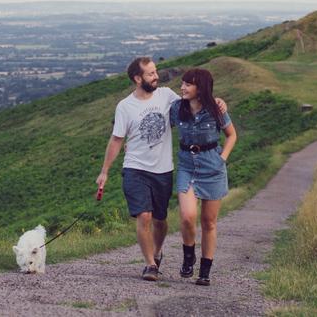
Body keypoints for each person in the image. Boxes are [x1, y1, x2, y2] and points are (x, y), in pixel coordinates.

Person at [96, 57, 226, 281]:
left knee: (160, 220)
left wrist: (218, 102)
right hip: (135, 167)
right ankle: (150, 265)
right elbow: (116, 140)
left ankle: (157, 252)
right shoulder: (125, 106)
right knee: (144, 216)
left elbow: (193, 105)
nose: (156, 77)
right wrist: (105, 171)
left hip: (163, 169)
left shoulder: (167, 96)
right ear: (138, 79)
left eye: (156, 72)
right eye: (150, 74)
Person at [169, 68, 237, 286]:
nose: (182, 87)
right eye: (183, 83)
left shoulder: (216, 109)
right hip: (187, 166)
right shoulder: (177, 108)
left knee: (209, 222)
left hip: (212, 167)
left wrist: (222, 158)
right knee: (188, 216)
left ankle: (205, 271)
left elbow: (231, 135)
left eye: (188, 84)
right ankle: (188, 258)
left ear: (201, 88)